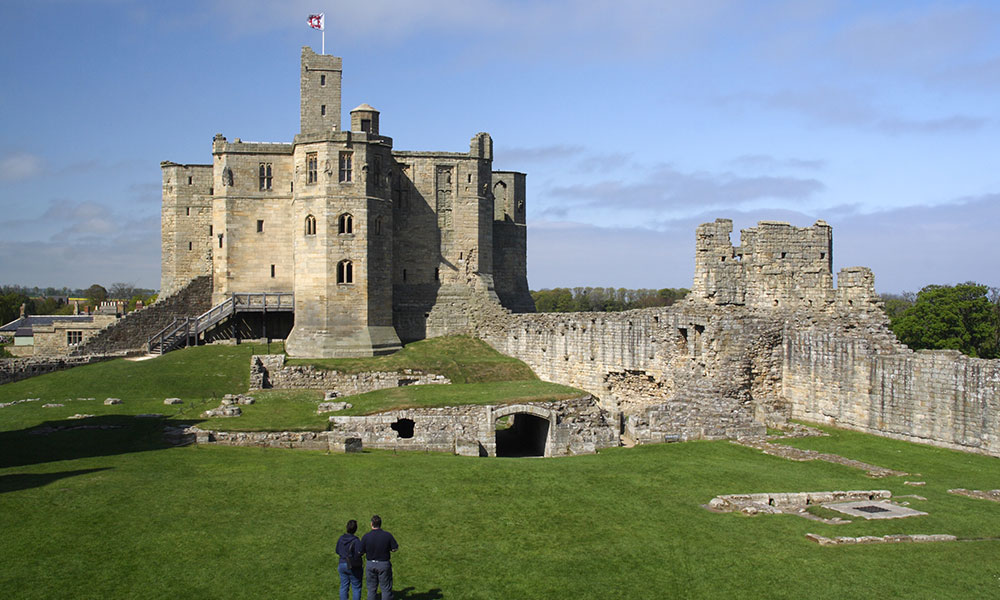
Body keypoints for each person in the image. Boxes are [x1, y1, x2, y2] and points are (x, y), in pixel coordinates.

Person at [359, 514, 398, 600]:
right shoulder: (387, 535)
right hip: (384, 564)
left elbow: (360, 551)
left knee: (371, 589)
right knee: (386, 589)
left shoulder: (366, 536)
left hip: (370, 564)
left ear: (371, 524)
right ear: (380, 524)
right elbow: (394, 548)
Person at [336, 519, 363, 600]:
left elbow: (337, 550)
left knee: (344, 586)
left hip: (342, 564)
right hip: (353, 565)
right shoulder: (356, 540)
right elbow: (359, 553)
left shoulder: (341, 538)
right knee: (356, 587)